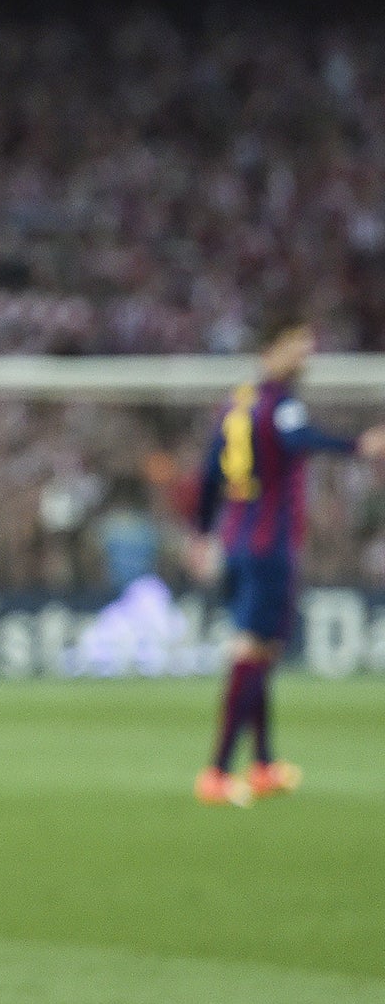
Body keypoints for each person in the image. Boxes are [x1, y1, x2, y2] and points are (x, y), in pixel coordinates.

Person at [189, 322, 385, 806]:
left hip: (236, 537)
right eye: (298, 344)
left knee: (262, 653)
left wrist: (200, 533)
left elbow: (209, 472)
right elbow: (300, 438)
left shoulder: (237, 402)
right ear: (271, 347)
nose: (306, 355)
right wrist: (358, 445)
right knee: (250, 650)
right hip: (268, 543)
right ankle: (216, 771)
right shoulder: (280, 403)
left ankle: (263, 764)